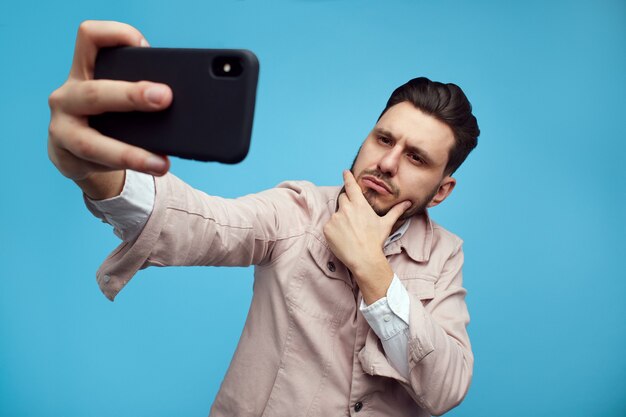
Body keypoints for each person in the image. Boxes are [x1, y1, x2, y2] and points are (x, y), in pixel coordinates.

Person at [48, 20, 480, 417]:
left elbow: (447, 387)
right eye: (383, 138)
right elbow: (204, 224)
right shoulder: (299, 209)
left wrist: (371, 266)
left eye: (416, 158)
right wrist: (95, 170)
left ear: (442, 190)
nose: (387, 162)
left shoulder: (444, 255)